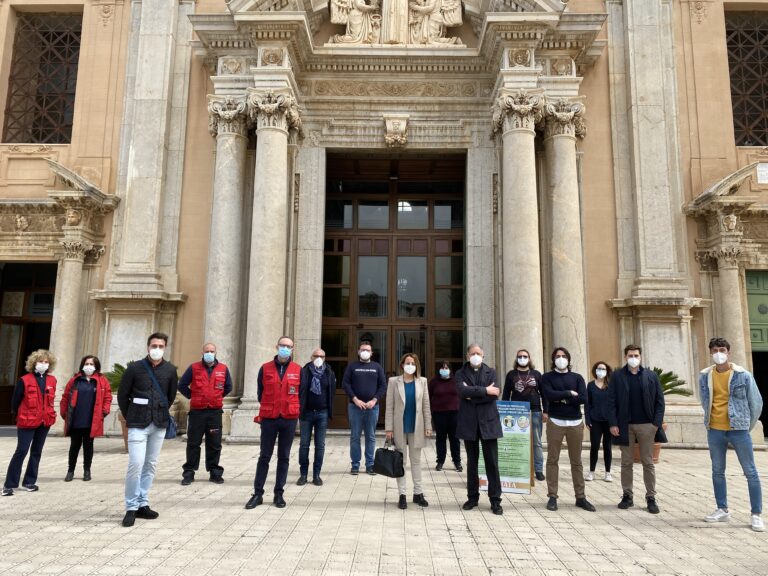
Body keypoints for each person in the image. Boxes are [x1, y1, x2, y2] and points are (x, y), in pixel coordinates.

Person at [700, 337, 764, 532]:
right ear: (710, 353)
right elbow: (705, 400)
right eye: (715, 350)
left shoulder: (743, 375)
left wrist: (746, 425)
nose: (719, 353)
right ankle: (722, 509)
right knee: (717, 471)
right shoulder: (705, 376)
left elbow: (756, 403)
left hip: (739, 430)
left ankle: (756, 514)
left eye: (722, 350)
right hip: (715, 430)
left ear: (728, 352)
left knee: (750, 472)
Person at [118, 332, 178, 527]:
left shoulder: (170, 370)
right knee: (135, 464)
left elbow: (169, 397)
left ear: (165, 348)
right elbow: (122, 395)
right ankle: (131, 506)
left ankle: (143, 502)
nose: (157, 349)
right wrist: (131, 414)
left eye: (160, 346)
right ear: (147, 347)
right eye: (154, 345)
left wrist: (158, 411)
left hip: (158, 424)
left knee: (150, 464)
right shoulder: (135, 368)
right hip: (137, 424)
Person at [607, 344, 665, 515]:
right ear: (625, 357)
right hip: (625, 426)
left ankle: (651, 497)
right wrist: (613, 423)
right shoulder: (618, 376)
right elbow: (611, 402)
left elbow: (659, 402)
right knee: (626, 462)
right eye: (630, 355)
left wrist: (655, 424)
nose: (633, 358)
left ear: (640, 357)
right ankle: (627, 495)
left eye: (636, 355)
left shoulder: (651, 376)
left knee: (648, 462)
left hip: (647, 425)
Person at [245, 336, 301, 509]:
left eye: (289, 346)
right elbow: (260, 393)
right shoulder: (265, 368)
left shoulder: (298, 370)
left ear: (293, 349)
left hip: (289, 419)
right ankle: (258, 493)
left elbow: (302, 394)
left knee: (284, 457)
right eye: (283, 345)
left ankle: (279, 493)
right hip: (269, 418)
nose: (285, 348)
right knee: (264, 456)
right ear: (276, 346)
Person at [540, 347, 595, 512]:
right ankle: (552, 496)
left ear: (569, 359)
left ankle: (580, 497)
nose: (561, 358)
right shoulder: (547, 377)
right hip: (555, 422)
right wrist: (569, 393)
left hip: (575, 423)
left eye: (564, 356)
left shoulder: (577, 377)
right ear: (553, 359)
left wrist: (562, 398)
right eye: (558, 356)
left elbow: (584, 398)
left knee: (576, 461)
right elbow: (549, 395)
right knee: (552, 460)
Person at [455, 344, 503, 515]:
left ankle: (495, 500)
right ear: (467, 356)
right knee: (472, 463)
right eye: (472, 353)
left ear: (483, 355)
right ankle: (472, 497)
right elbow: (461, 391)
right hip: (469, 423)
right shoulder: (460, 373)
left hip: (488, 423)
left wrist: (473, 395)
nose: (475, 356)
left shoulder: (492, 372)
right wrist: (485, 391)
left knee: (492, 463)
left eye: (478, 353)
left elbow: (495, 394)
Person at [1, 350, 57, 496]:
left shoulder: (52, 380)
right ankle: (9, 484)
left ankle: (29, 481)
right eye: (40, 362)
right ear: (34, 363)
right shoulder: (24, 380)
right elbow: (15, 401)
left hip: (45, 421)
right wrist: (18, 416)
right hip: (27, 420)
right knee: (21, 451)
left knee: (36, 452)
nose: (43, 364)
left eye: (46, 362)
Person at [178, 342, 232, 485]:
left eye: (212, 351)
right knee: (193, 443)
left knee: (214, 444)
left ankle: (215, 472)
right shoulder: (194, 368)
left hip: (214, 413)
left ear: (216, 352)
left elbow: (228, 387)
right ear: (202, 352)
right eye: (207, 350)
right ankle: (189, 472)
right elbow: (182, 385)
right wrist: (193, 396)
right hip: (197, 412)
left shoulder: (223, 369)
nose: (209, 353)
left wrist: (216, 397)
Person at [385, 353, 433, 509]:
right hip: (399, 427)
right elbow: (389, 407)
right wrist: (388, 428)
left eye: (413, 363)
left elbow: (426, 405)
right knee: (401, 462)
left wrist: (428, 425)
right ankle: (402, 494)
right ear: (402, 365)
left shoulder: (422, 382)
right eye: (407, 362)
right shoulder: (393, 382)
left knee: (416, 462)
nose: (410, 365)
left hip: (416, 427)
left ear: (417, 365)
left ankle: (418, 493)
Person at [60, 355, 112, 482]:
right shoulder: (75, 380)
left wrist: (104, 411)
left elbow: (107, 397)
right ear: (83, 365)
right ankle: (70, 471)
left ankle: (87, 471)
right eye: (87, 363)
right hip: (77, 419)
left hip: (92, 420)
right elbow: (66, 397)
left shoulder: (102, 380)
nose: (89, 366)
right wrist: (64, 414)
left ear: (96, 367)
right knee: (74, 446)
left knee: (88, 447)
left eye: (92, 364)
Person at [342, 341, 387, 475]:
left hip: (372, 408)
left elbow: (383, 386)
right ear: (358, 351)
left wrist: (374, 400)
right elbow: (345, 384)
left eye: (368, 350)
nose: (365, 352)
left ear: (372, 353)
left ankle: (370, 465)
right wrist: (355, 399)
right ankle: (355, 465)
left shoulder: (377, 367)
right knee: (355, 437)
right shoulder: (352, 366)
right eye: (363, 349)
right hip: (355, 407)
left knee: (371, 437)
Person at [502, 349, 547, 481]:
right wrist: (504, 411)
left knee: (537, 442)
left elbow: (544, 394)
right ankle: (519, 468)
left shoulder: (537, 374)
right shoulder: (511, 374)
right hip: (516, 412)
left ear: (529, 358)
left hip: (535, 411)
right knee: (517, 442)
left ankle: (538, 470)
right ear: (516, 359)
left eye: (525, 356)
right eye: (520, 356)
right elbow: (506, 394)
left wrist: (546, 411)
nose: (522, 358)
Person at [297, 347, 335, 486]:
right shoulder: (304, 371)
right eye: (316, 355)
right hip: (306, 413)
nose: (319, 358)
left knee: (320, 446)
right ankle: (303, 474)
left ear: (325, 358)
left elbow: (332, 392)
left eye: (322, 356)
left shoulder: (329, 372)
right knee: (304, 445)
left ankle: (316, 474)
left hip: (322, 413)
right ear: (311, 357)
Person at [428, 360, 462, 472]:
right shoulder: (434, 382)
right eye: (442, 367)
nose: (444, 370)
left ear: (450, 369)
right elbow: (428, 396)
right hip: (439, 414)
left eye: (447, 368)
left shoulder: (456, 381)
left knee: (455, 439)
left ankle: (457, 462)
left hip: (454, 414)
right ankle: (440, 461)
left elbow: (462, 395)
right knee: (440, 438)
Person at [585, 361, 613, 483]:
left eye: (603, 369)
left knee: (607, 447)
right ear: (595, 370)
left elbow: (614, 404)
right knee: (594, 446)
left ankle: (608, 472)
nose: (601, 371)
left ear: (607, 371)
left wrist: (615, 421)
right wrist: (587, 419)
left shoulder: (611, 385)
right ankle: (591, 472)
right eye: (599, 368)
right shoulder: (590, 385)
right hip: (595, 421)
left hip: (608, 421)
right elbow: (587, 404)